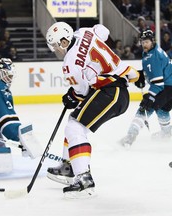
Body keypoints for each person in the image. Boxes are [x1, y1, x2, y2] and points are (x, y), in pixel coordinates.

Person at [45, 22, 139, 198]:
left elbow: (82, 91)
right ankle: (69, 166)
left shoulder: (70, 63)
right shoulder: (84, 32)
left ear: (64, 42)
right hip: (117, 90)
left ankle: (83, 179)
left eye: (56, 46)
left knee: (75, 127)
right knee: (73, 121)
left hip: (110, 92)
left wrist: (72, 96)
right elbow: (103, 30)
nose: (56, 50)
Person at [120, 30, 172, 146]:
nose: (144, 44)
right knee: (162, 109)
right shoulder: (151, 51)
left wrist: (150, 96)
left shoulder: (153, 57)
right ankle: (167, 133)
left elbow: (158, 84)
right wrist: (144, 75)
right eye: (142, 42)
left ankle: (130, 137)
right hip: (169, 85)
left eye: (147, 42)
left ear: (152, 41)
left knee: (145, 108)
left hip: (167, 87)